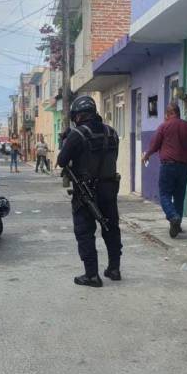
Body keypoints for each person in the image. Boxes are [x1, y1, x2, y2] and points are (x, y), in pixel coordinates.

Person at [58, 96, 122, 288]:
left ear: (78, 116)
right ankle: (114, 269)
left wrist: (66, 141)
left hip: (86, 191)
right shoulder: (112, 133)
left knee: (85, 231)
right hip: (109, 189)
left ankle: (92, 275)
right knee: (111, 228)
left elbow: (62, 161)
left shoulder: (77, 134)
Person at [142, 102, 187, 239]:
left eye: (166, 114)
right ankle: (177, 225)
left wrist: (146, 155)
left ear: (170, 113)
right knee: (179, 197)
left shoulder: (164, 126)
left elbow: (154, 145)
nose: (165, 117)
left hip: (168, 166)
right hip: (184, 167)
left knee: (164, 194)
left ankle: (173, 217)